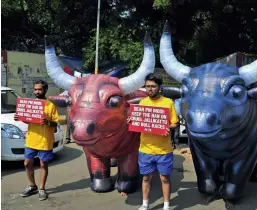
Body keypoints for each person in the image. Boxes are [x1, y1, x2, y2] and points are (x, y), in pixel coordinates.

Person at [128, 73, 178, 210]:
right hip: (145, 149)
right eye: (147, 86)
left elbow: (174, 123)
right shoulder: (142, 103)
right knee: (145, 178)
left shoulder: (168, 102)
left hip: (164, 150)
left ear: (159, 87)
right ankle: (145, 204)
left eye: (153, 86)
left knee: (165, 179)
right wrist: (132, 121)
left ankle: (166, 206)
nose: (150, 89)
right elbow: (137, 122)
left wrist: (168, 127)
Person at [14, 80, 59, 201]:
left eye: (39, 89)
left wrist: (48, 122)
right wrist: (20, 118)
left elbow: (55, 123)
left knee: (43, 164)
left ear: (45, 90)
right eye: (35, 89)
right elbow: (28, 120)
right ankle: (32, 185)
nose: (37, 91)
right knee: (27, 163)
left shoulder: (51, 105)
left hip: (45, 140)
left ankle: (42, 188)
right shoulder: (31, 104)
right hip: (31, 139)